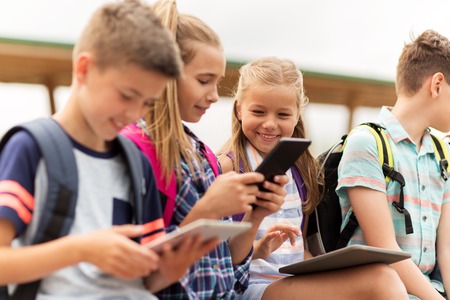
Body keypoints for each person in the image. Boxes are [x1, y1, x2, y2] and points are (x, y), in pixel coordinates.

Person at [0, 0, 219, 298]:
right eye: (127, 95)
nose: (134, 113)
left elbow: (144, 282)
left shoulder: (136, 163)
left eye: (146, 103)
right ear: (84, 69)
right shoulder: (31, 147)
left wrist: (170, 270)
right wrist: (81, 249)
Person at [121, 1, 288, 299]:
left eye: (218, 83)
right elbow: (135, 275)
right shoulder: (135, 151)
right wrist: (208, 209)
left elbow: (226, 274)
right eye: (203, 81)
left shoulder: (203, 155)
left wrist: (255, 216)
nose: (213, 96)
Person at [218, 56, 409, 299]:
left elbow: (301, 249)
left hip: (289, 280)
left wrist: (329, 265)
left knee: (381, 273)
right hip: (250, 286)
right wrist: (258, 249)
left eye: (283, 115)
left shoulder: (301, 170)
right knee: (381, 281)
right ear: (239, 109)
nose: (269, 124)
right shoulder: (226, 169)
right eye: (258, 111)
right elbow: (220, 258)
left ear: (297, 114)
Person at [336, 29, 450, 299]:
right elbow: (386, 249)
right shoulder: (366, 143)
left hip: (429, 292)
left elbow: (446, 249)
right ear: (437, 84)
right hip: (381, 290)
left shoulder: (442, 153)